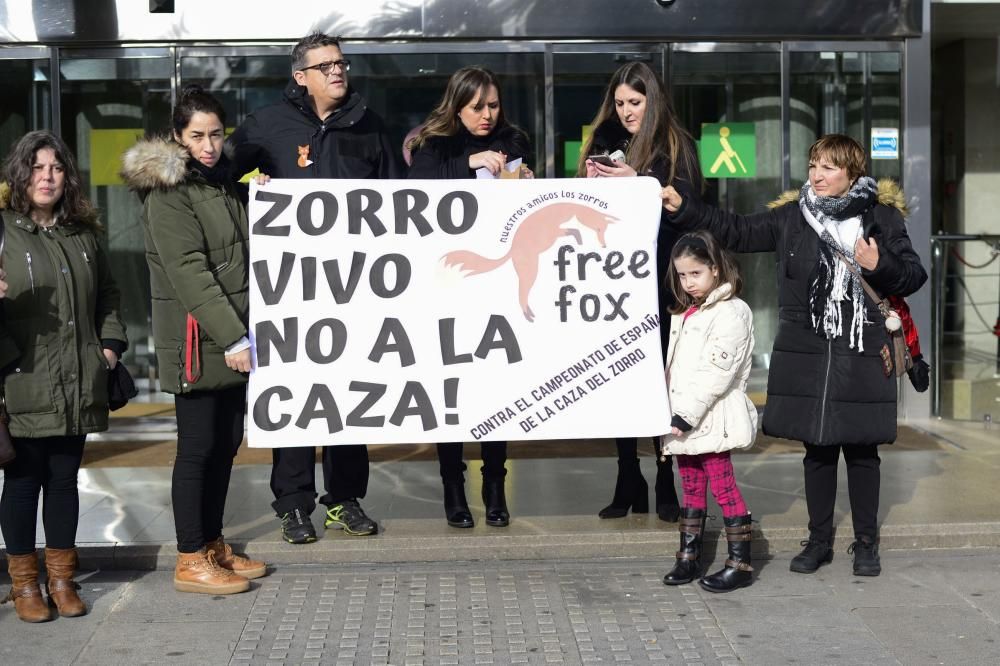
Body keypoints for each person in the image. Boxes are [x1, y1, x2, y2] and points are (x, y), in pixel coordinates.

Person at [662, 134, 927, 576]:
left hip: (862, 349)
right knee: (817, 450)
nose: (817, 176)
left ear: (852, 173)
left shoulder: (882, 218)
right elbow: (736, 230)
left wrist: (879, 264)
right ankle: (819, 540)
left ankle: (866, 544)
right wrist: (686, 208)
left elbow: (913, 275)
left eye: (828, 167)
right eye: (813, 166)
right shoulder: (794, 217)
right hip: (808, 350)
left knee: (862, 452)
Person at [230, 32, 402, 544]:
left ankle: (344, 500)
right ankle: (293, 503)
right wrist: (250, 191)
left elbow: (398, 199)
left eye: (341, 63)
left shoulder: (368, 125)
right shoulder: (266, 125)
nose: (337, 72)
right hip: (292, 292)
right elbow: (223, 185)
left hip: (357, 288)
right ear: (300, 77)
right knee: (297, 394)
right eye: (325, 66)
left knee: (352, 394)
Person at [121, 86, 266, 595]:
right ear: (178, 138)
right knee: (198, 447)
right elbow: (191, 272)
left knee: (225, 444)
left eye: (216, 134)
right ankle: (189, 557)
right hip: (198, 338)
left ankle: (212, 543)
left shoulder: (220, 183)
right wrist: (233, 336)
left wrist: (259, 196)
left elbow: (237, 252)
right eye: (197, 136)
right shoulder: (170, 193)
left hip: (230, 335)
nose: (208, 145)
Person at [0, 130, 127, 622]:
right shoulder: (5, 231)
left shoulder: (84, 235)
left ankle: (62, 578)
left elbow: (110, 296)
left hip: (79, 379)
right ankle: (26, 585)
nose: (46, 177)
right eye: (36, 167)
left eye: (55, 168)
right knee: (22, 482)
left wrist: (110, 348)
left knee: (64, 482)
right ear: (20, 173)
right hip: (22, 379)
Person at [407, 66, 532, 528]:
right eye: (477, 106)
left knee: (495, 389)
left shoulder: (514, 141)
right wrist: (470, 164)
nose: (487, 115)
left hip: (496, 283)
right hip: (446, 286)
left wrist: (526, 184)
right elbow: (415, 193)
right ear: (456, 104)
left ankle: (495, 485)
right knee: (452, 391)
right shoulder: (432, 143)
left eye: (493, 105)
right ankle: (453, 488)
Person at [577, 61, 702, 522]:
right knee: (619, 378)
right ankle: (627, 475)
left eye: (635, 102)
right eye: (620, 102)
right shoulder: (604, 141)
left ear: (653, 100)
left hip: (662, 280)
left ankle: (665, 475)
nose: (627, 111)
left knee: (659, 382)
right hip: (614, 281)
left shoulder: (676, 144)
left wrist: (641, 185)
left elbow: (690, 210)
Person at [658, 231, 757, 593]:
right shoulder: (687, 311)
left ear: (715, 269)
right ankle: (688, 557)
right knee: (691, 486)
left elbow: (717, 372)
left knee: (724, 485)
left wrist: (684, 415)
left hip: (711, 414)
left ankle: (740, 562)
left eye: (696, 273)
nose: (688, 282)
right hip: (683, 415)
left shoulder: (732, 311)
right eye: (682, 275)